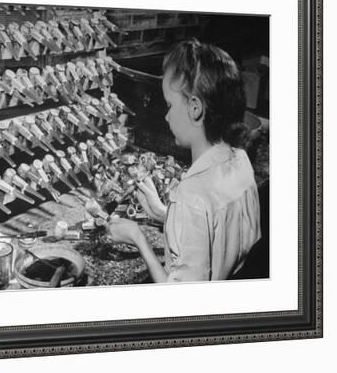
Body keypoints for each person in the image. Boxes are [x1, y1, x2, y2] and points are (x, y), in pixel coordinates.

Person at [108, 39, 261, 282]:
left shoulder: (191, 195)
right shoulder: (240, 159)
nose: (167, 116)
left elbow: (180, 302)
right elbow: (213, 232)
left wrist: (138, 239)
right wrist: (163, 213)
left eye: (169, 104)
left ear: (195, 108)